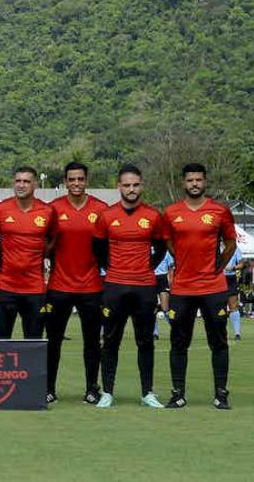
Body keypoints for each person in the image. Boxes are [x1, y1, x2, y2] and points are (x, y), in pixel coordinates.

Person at [92, 165, 169, 408]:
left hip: (145, 287)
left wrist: (146, 267)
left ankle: (148, 393)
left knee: (145, 341)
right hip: (114, 287)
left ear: (142, 185)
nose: (131, 189)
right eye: (127, 185)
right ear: (119, 187)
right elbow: (98, 250)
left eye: (135, 185)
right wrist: (113, 269)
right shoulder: (106, 216)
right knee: (111, 340)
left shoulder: (153, 216)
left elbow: (161, 249)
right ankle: (107, 392)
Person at [163, 163, 236, 409]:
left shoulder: (220, 211)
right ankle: (178, 394)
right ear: (183, 183)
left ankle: (221, 394)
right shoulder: (171, 212)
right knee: (179, 342)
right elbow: (169, 242)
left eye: (199, 180)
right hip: (182, 288)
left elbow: (230, 244)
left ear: (205, 182)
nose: (195, 184)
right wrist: (182, 263)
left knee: (219, 342)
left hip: (213, 287)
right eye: (190, 180)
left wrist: (218, 267)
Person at [44, 161, 108, 404]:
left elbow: (107, 247)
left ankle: (92, 388)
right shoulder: (53, 209)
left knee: (92, 342)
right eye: (72, 179)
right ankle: (49, 388)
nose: (76, 184)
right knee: (53, 340)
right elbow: (47, 244)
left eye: (80, 179)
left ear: (87, 180)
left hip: (91, 286)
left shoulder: (101, 209)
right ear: (65, 182)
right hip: (59, 285)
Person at [0, 166, 55, 340]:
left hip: (34, 289)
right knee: (1, 343)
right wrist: (1, 253)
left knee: (33, 344)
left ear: (35, 184)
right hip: (5, 287)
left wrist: (40, 255)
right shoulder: (0, 209)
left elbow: (53, 239)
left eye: (26, 181)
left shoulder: (48, 211)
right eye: (18, 181)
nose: (21, 185)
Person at [223, 249, 244, 339]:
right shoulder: (214, 247)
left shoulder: (235, 249)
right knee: (219, 308)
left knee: (233, 306)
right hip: (218, 279)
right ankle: (222, 333)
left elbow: (241, 264)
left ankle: (237, 333)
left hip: (231, 278)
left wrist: (234, 267)